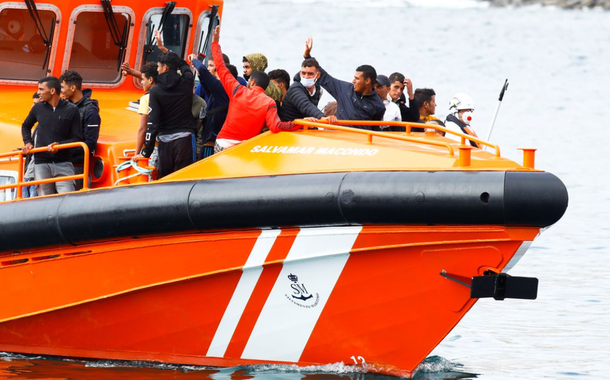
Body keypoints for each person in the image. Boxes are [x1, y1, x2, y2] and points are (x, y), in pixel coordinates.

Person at [208, 25, 308, 153]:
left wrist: (215, 43)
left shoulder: (238, 90)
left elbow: (221, 67)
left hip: (223, 143)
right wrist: (300, 123)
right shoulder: (269, 102)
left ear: (252, 82)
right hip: (244, 148)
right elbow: (276, 126)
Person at [135, 51, 196, 178]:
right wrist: (178, 60)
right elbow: (186, 69)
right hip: (185, 140)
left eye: (158, 66)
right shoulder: (187, 82)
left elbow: (153, 124)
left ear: (165, 68)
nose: (157, 70)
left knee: (165, 180)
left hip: (165, 143)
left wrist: (146, 152)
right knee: (185, 179)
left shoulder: (156, 92)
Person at [303, 37, 385, 129]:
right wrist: (307, 56)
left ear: (367, 81)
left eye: (357, 79)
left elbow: (375, 130)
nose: (353, 81)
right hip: (341, 138)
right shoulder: (345, 89)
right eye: (354, 78)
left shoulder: (379, 105)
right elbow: (324, 77)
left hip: (361, 140)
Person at [21, 76, 83, 195]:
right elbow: (25, 125)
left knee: (68, 198)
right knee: (44, 200)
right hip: (41, 163)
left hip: (63, 162)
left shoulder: (72, 109)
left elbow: (77, 138)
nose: (38, 93)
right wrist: (27, 142)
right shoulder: (38, 108)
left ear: (52, 91)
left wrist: (59, 145)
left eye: (41, 89)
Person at [59, 70, 101, 190]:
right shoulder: (63, 107)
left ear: (72, 88)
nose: (60, 90)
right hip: (61, 165)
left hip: (77, 168)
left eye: (62, 87)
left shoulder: (90, 111)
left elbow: (90, 143)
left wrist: (62, 150)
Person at [191, 53, 231, 159]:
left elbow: (204, 72)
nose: (209, 69)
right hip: (208, 138)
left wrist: (195, 61)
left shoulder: (222, 88)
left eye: (212, 66)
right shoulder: (218, 90)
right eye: (208, 65)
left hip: (211, 141)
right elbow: (206, 85)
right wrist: (200, 75)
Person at [279, 58, 336, 123]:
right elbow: (306, 105)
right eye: (303, 73)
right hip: (289, 127)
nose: (306, 76)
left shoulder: (318, 90)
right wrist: (322, 117)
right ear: (300, 73)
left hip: (306, 125)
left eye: (310, 74)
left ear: (318, 75)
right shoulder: (295, 89)